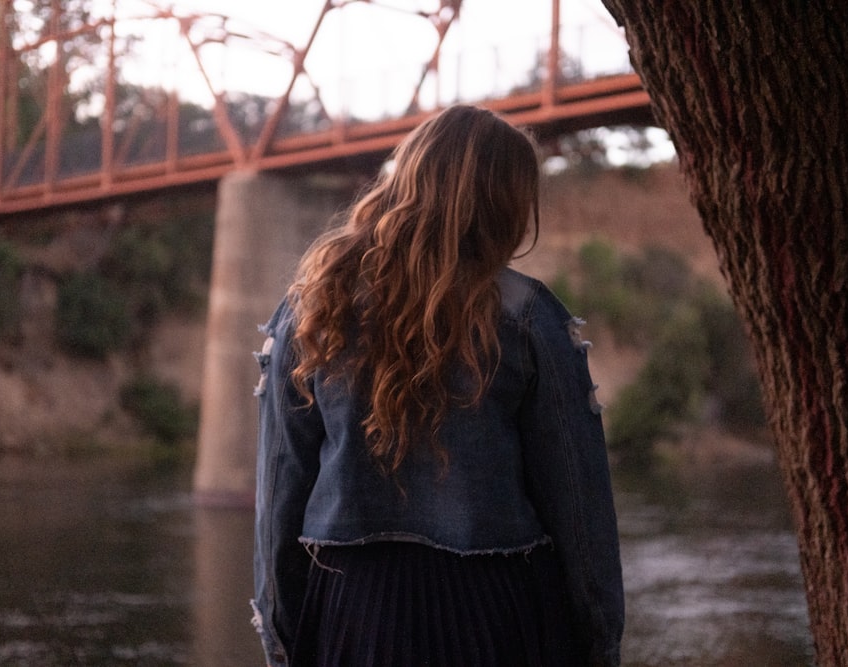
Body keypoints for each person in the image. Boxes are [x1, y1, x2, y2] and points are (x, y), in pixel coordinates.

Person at [251, 104, 624, 667]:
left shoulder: (312, 308)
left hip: (351, 607)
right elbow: (578, 504)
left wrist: (282, 638)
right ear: (501, 201)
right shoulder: (530, 318)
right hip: (497, 608)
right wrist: (600, 645)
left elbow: (281, 490)